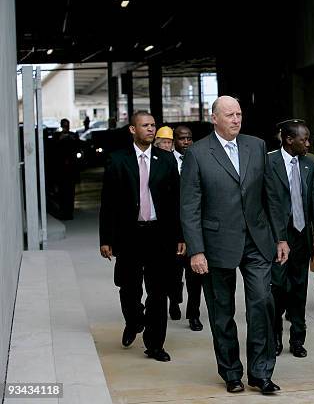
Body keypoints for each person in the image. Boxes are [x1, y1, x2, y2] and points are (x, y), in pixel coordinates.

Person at [180, 96, 287, 394]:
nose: (236, 119)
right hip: (216, 245)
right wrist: (196, 249)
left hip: (257, 240)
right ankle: (230, 372)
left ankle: (260, 373)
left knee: (262, 304)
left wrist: (280, 237)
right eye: (229, 115)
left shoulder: (256, 146)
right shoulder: (198, 153)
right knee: (222, 312)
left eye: (239, 114)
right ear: (214, 118)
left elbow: (271, 196)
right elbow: (189, 206)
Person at [99, 110, 184, 362]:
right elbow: (108, 203)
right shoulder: (117, 159)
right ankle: (134, 320)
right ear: (133, 130)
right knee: (129, 287)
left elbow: (176, 201)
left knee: (158, 291)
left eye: (153, 125)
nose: (150, 129)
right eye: (145, 125)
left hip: (160, 235)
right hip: (129, 235)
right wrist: (106, 239)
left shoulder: (166, 160)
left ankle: (155, 344)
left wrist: (181, 235)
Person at [268, 119, 314, 358]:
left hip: (302, 237)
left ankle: (298, 339)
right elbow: (266, 203)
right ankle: (275, 336)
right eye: (304, 139)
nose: (308, 143)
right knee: (278, 290)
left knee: (299, 291)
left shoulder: (310, 163)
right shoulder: (269, 162)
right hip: (278, 237)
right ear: (289, 140)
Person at [171, 125, 205, 331]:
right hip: (173, 229)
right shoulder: (165, 160)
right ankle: (174, 301)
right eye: (182, 139)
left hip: (194, 227)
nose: (186, 142)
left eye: (189, 139)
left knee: (195, 275)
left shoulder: (197, 159)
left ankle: (193, 314)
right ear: (174, 140)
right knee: (173, 274)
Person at [51, 118, 80, 220]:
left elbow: (78, 147)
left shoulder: (73, 135)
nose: (66, 127)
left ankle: (69, 212)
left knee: (70, 192)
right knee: (62, 192)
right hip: (61, 169)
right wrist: (60, 139)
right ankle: (63, 211)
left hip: (70, 169)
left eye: (67, 125)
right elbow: (53, 150)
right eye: (64, 125)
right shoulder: (57, 136)